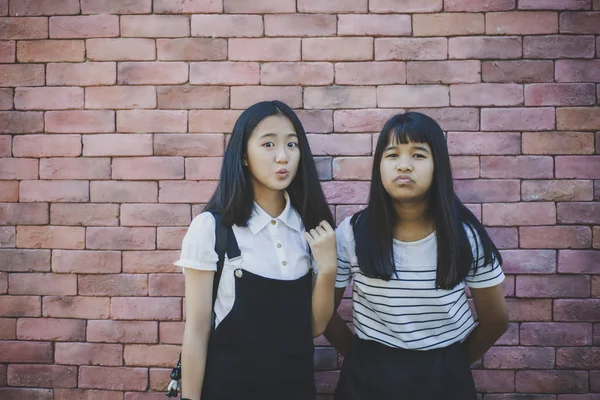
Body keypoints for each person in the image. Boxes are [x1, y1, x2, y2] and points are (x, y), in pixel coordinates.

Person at [325, 112, 509, 400]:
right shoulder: (352, 232)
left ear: (438, 166)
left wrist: (453, 364)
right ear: (379, 165)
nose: (404, 165)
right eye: (392, 154)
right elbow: (324, 312)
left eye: (419, 155)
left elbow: (496, 319)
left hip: (444, 375)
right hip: (366, 376)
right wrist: (359, 356)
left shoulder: (466, 235)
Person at [175, 101, 337, 400]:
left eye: (292, 144)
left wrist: (328, 269)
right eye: (268, 144)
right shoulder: (212, 229)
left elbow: (313, 327)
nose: (282, 156)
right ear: (244, 156)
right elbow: (197, 330)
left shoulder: (311, 228)